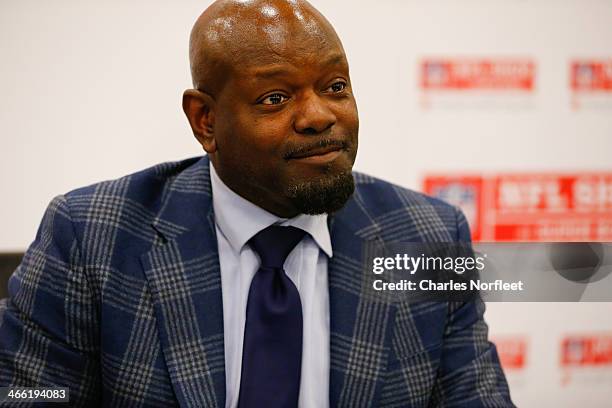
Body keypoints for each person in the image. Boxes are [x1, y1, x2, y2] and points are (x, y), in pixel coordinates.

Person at [0, 0, 513, 406]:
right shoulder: (92, 236)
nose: (319, 116)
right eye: (275, 98)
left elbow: (474, 397)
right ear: (205, 121)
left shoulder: (428, 236)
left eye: (335, 86)